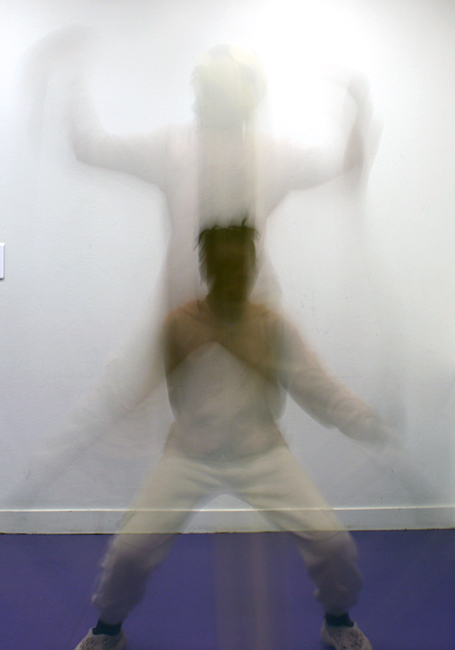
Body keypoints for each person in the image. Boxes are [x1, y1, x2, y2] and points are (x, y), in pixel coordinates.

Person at [73, 222, 393, 650]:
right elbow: (135, 385)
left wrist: (363, 420)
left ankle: (337, 621)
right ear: (207, 269)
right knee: (130, 550)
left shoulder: (271, 327)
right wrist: (101, 430)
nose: (231, 276)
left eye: (240, 266)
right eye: (222, 267)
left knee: (332, 543)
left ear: (252, 267)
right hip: (189, 456)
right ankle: (107, 630)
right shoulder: (178, 325)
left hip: (263, 454)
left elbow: (316, 385)